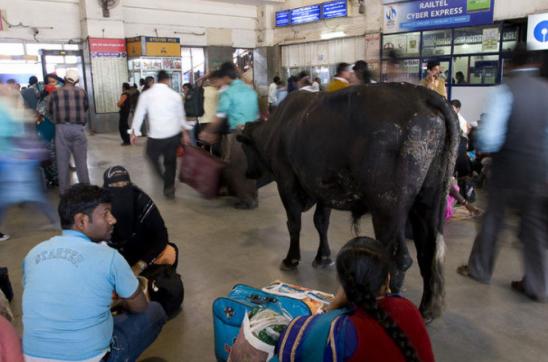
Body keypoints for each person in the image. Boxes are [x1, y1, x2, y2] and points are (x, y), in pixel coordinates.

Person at [22, 184, 167, 361]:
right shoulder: (109, 257)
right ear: (82, 221)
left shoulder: (33, 254)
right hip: (90, 357)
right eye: (106, 213)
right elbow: (140, 306)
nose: (113, 219)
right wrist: (121, 300)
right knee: (154, 311)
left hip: (30, 356)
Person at [457, 44, 548, 302]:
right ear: (535, 65)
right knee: (534, 228)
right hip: (539, 174)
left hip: (508, 171)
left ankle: (480, 269)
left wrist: (482, 145)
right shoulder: (545, 91)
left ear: (510, 64)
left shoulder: (504, 90)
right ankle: (537, 285)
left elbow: (490, 138)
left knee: (493, 221)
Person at [277, 237, 435, 362]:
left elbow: (291, 345)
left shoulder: (339, 330)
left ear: (343, 286)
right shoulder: (409, 309)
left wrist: (331, 307)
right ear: (387, 279)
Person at [199, 62, 260, 209]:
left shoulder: (228, 92)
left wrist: (208, 131)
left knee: (234, 168)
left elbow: (220, 115)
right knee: (249, 166)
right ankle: (251, 196)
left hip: (237, 134)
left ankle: (247, 200)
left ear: (226, 77)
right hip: (254, 133)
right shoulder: (249, 90)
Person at [130, 70, 193, 199]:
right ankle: (169, 187)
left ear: (157, 80)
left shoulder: (146, 95)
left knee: (151, 156)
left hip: (155, 137)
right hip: (173, 136)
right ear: (168, 80)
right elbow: (181, 117)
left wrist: (134, 132)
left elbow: (139, 114)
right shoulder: (175, 95)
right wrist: (185, 133)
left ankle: (164, 178)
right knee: (170, 162)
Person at [103, 166, 177, 268]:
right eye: (115, 185)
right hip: (113, 255)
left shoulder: (141, 201)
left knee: (170, 253)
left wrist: (142, 264)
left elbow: (161, 235)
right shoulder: (101, 206)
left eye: (125, 184)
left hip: (144, 252)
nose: (121, 188)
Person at [47, 69, 90, 195]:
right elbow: (85, 107)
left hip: (61, 129)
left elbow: (49, 109)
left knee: (62, 162)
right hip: (78, 129)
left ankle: (63, 192)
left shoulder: (55, 93)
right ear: (76, 81)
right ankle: (86, 191)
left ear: (64, 79)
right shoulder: (82, 92)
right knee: (81, 162)